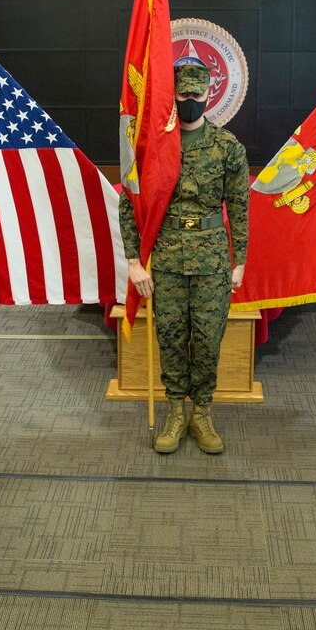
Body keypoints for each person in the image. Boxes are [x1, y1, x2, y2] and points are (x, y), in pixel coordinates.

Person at [118, 57, 249, 454]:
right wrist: (133, 262)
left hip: (212, 261)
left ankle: (202, 414)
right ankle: (176, 412)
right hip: (168, 260)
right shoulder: (155, 146)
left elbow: (239, 206)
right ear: (172, 96)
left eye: (197, 93)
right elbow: (130, 204)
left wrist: (240, 260)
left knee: (208, 340)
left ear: (209, 93)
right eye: (183, 94)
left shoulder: (227, 147)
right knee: (172, 338)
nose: (191, 99)